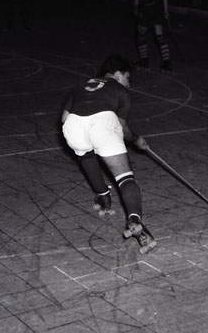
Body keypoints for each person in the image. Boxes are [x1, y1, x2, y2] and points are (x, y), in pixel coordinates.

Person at [61, 55, 155, 253]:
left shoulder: (82, 85)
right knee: (125, 178)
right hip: (102, 122)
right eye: (128, 78)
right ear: (118, 74)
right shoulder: (121, 90)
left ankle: (103, 196)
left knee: (85, 152)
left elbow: (64, 118)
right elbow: (122, 128)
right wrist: (136, 140)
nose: (128, 83)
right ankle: (135, 220)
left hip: (73, 125)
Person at [131, 0, 171, 73]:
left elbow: (136, 2)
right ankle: (167, 63)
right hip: (157, 8)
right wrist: (166, 11)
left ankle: (144, 62)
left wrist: (135, 12)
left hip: (146, 10)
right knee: (159, 36)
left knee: (140, 35)